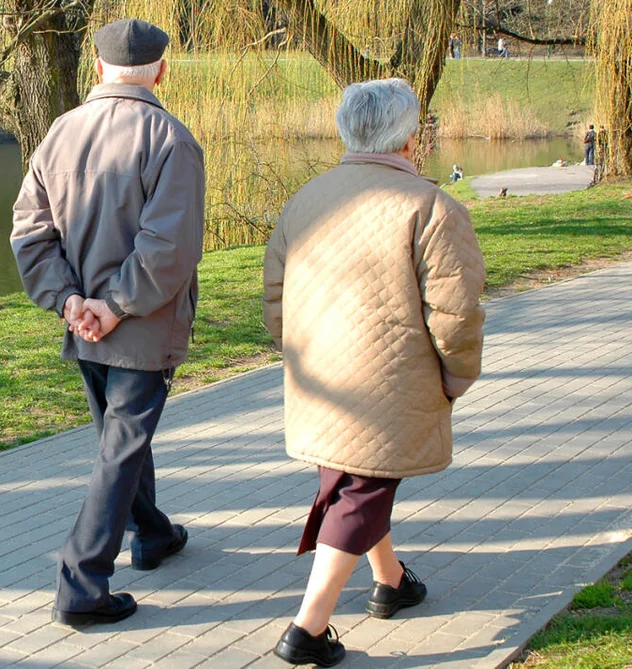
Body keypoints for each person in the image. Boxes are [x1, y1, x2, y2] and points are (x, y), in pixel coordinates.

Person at [263, 78, 486, 666]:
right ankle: (306, 632)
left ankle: (390, 581)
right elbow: (456, 311)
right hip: (392, 379)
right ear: (410, 135)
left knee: (355, 479)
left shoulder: (306, 198)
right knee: (361, 489)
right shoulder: (432, 207)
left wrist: (302, 353)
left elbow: (275, 298)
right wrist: (458, 376)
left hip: (321, 378)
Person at [11, 18, 204, 627]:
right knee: (118, 452)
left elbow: (30, 233)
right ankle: (81, 584)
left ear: (97, 67)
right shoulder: (171, 139)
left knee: (120, 443)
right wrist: (113, 306)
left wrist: (69, 302)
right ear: (161, 70)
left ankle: (152, 534)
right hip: (138, 327)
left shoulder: (59, 133)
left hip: (85, 326)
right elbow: (168, 247)